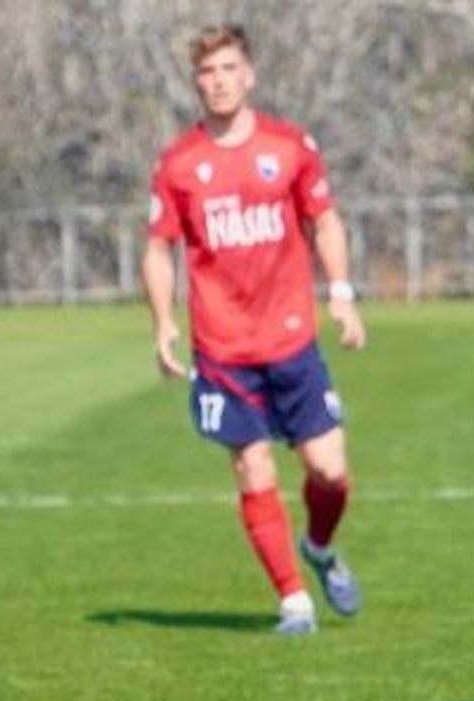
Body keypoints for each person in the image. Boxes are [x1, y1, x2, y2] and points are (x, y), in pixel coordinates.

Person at [141, 24, 367, 635]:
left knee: (329, 471)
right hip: (222, 348)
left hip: (292, 341)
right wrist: (162, 322)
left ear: (250, 75)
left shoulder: (289, 147)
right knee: (253, 467)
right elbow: (159, 249)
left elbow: (324, 221)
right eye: (207, 73)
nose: (218, 83)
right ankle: (293, 600)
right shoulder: (179, 164)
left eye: (228, 69)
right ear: (197, 83)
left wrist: (342, 294)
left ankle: (319, 549)